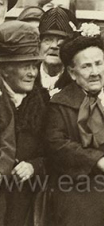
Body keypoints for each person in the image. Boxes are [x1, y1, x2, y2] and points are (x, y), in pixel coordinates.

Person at [44, 34, 104, 226]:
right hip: (76, 200)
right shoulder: (60, 105)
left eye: (98, 63)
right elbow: (56, 145)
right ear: (72, 73)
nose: (95, 72)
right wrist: (98, 160)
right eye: (86, 66)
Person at [0, 20, 46, 226]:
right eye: (24, 65)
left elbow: (55, 152)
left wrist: (34, 166)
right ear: (5, 69)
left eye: (35, 66)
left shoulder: (42, 102)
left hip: (24, 202)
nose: (32, 73)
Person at [37, 6, 77, 98]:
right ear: (39, 44)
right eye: (48, 40)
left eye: (61, 41)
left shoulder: (76, 81)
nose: (54, 46)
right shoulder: (28, 77)